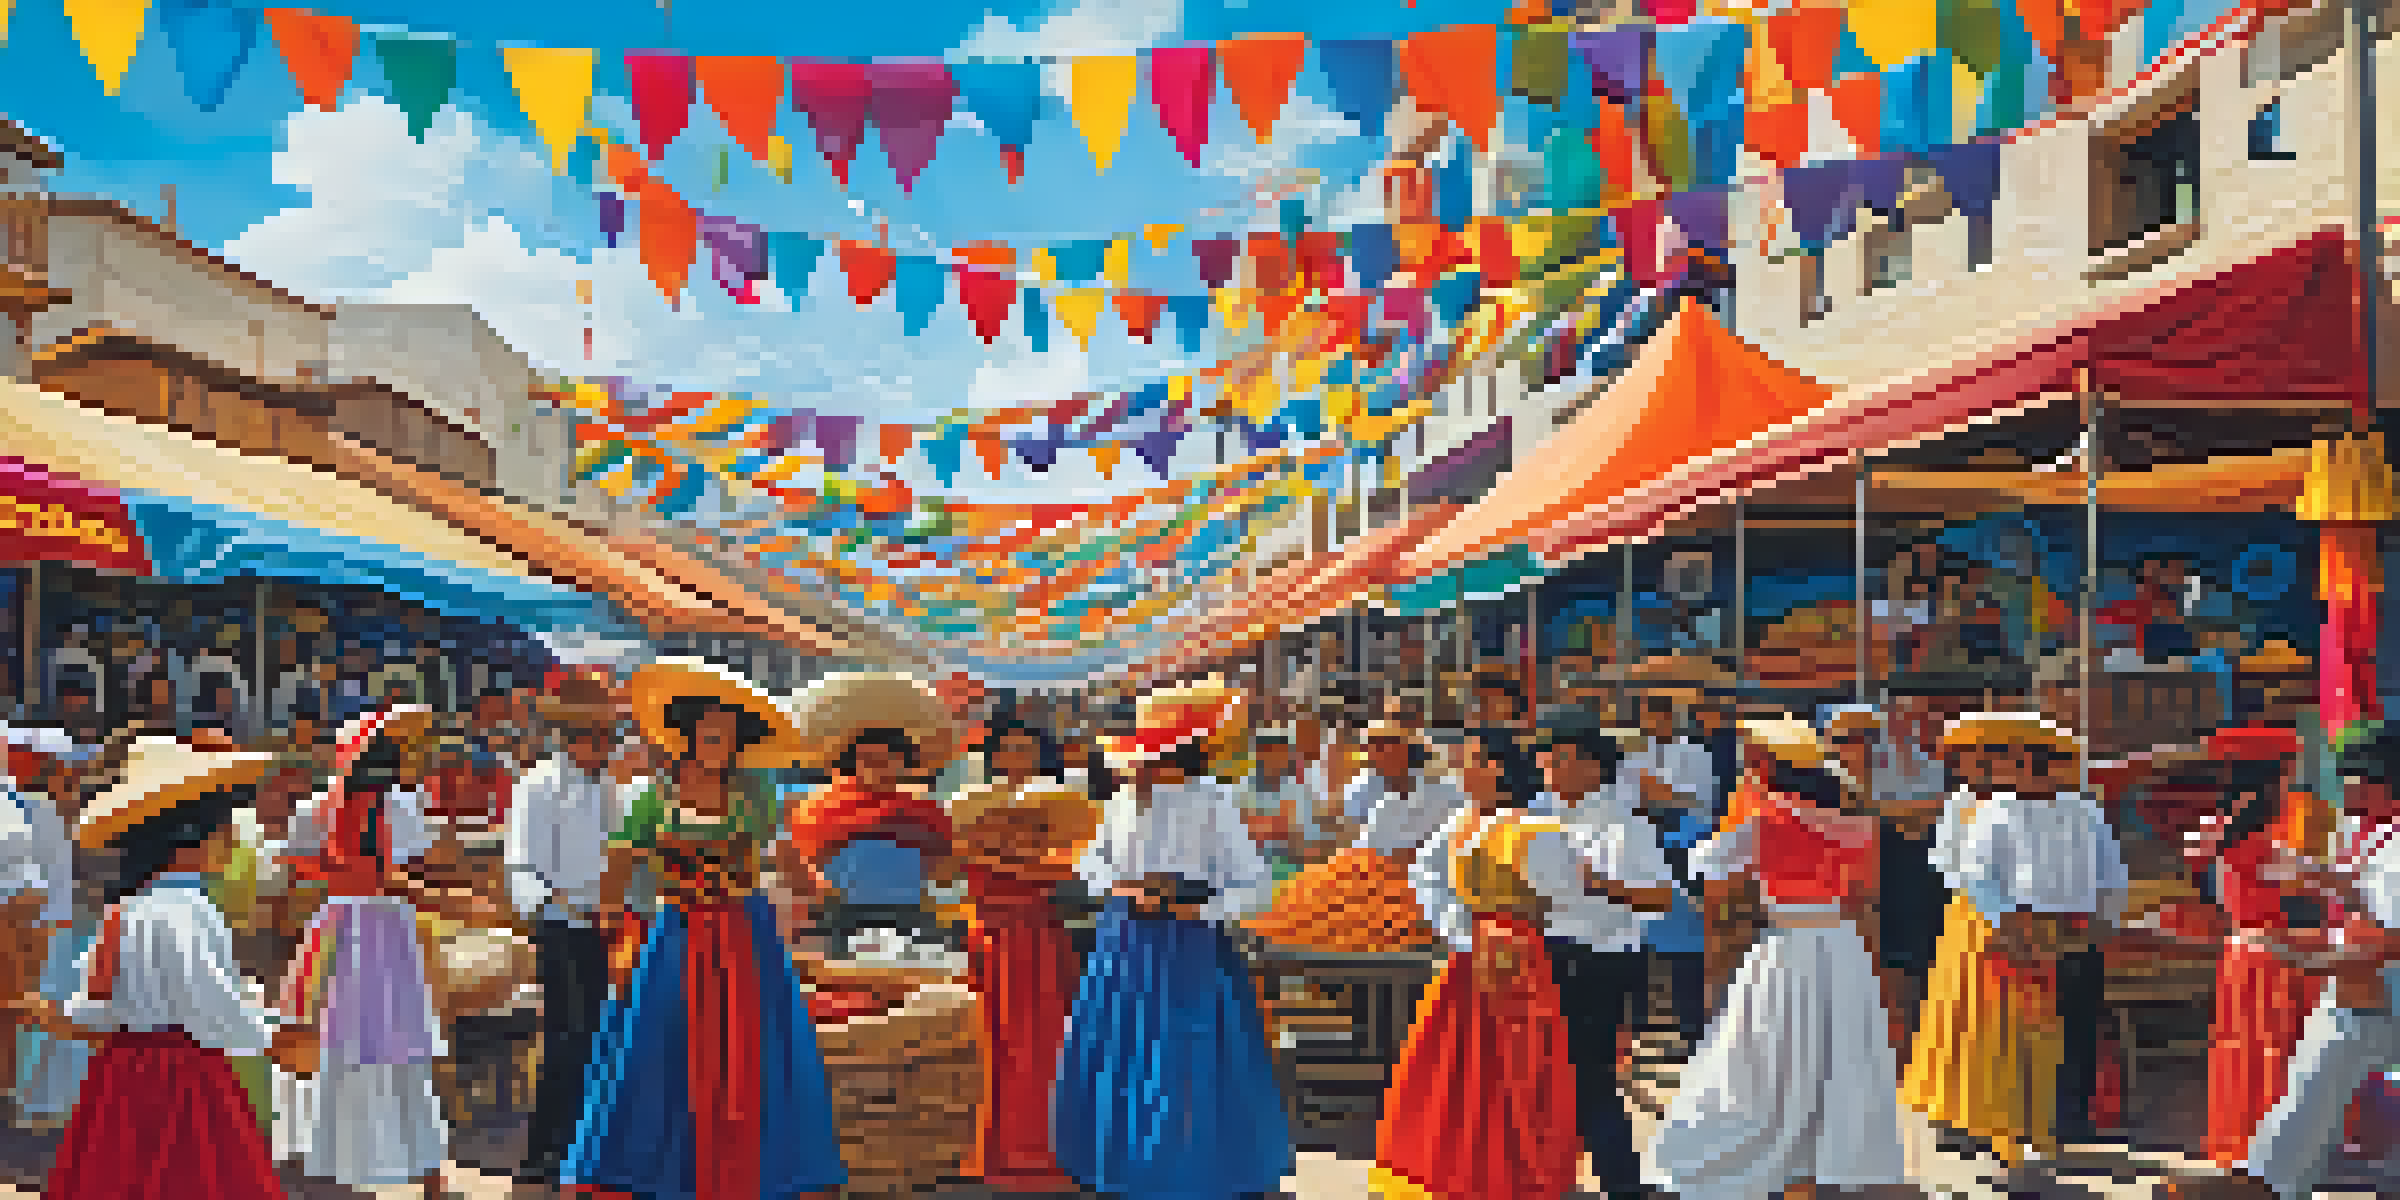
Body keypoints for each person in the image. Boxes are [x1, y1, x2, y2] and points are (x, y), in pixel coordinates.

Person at [565, 659, 845, 1200]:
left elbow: (784, 855)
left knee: (756, 1046)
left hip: (746, 933)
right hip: (677, 935)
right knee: (663, 1045)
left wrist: (818, 890)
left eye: (729, 736)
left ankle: (757, 1166)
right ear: (688, 738)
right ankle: (663, 1168)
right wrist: (612, 927)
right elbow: (619, 866)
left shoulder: (759, 794)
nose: (719, 744)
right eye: (710, 734)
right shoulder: (654, 798)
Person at [14, 735, 308, 1199]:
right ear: (190, 834)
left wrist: (58, 1014)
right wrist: (273, 1037)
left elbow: (103, 1007)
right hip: (183, 1081)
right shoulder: (186, 907)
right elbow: (209, 1003)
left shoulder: (125, 910)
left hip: (123, 1077)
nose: (232, 836)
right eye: (223, 825)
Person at [1647, 718, 1905, 1200]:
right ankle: (1823, 1156)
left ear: (1766, 768)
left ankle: (1780, 1155)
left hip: (1787, 945)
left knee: (1770, 1054)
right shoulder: (1858, 826)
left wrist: (1744, 808)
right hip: (1842, 947)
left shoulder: (1763, 820)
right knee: (1836, 1053)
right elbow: (1864, 901)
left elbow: (1705, 864)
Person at [1056, 684, 1291, 1199]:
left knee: (1182, 1055)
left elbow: (1256, 884)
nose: (1136, 765)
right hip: (1126, 939)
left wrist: (1200, 908)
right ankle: (1128, 1160)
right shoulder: (1122, 800)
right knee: (1125, 1051)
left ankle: (1185, 1167)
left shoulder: (1214, 802)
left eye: (1148, 755)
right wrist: (1121, 887)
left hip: (1189, 945)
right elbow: (1091, 862)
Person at [1901, 714, 2129, 1183]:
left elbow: (2110, 873)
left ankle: (2057, 1119)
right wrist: (2005, 921)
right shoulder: (1981, 808)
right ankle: (1979, 1117)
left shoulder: (2081, 811)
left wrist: (2103, 918)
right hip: (1997, 926)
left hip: (2062, 928)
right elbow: (1966, 872)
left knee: (2063, 1022)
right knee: (1986, 1025)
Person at [1372, 728, 1583, 1199]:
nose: (1461, 770)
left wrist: (1516, 924)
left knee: (1516, 1063)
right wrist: (1460, 927)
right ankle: (1460, 1165)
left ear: (1496, 768)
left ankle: (1516, 1169)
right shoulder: (1461, 823)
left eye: (1470, 760)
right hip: (1473, 953)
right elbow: (1426, 876)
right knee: (1461, 1060)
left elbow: (1564, 898)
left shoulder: (1540, 825)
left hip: (1520, 958)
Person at [2205, 721, 2400, 1200]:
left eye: (2355, 777)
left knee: (2321, 1077)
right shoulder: (2361, 830)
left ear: (2384, 785)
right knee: (2311, 1083)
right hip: (2354, 987)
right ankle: (2269, 1180)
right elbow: (2359, 892)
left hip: (2374, 983)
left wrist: (2309, 955)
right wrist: (2315, 881)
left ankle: (2270, 1179)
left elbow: (2391, 937)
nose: (2342, 786)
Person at [279, 704, 466, 1200]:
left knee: (335, 1045)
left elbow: (297, 868)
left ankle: (326, 1168)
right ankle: (428, 1174)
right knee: (402, 1047)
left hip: (336, 926)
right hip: (386, 927)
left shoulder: (318, 806)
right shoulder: (399, 807)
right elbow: (422, 868)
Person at [1528, 705, 1679, 1200]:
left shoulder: (1623, 822)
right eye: (1544, 757)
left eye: (1558, 757)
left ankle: (1622, 1182)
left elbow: (1660, 896)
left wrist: (1602, 886)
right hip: (1548, 951)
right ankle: (1557, 1177)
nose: (1547, 767)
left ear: (1592, 764)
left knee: (1587, 1074)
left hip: (1600, 957)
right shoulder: (1539, 816)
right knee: (1549, 1073)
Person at [951, 717, 1097, 1193]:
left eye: (1027, 748)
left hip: (1042, 940)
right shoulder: (972, 807)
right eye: (1009, 747)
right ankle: (990, 1151)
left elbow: (1073, 868)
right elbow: (966, 868)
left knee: (1047, 1045)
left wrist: (1028, 859)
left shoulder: (1057, 808)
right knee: (992, 1044)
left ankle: (1047, 1150)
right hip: (992, 941)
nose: (1018, 756)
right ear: (994, 754)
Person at [503, 676, 630, 1197]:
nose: (598, 745)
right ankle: (545, 1154)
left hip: (604, 925)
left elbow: (623, 857)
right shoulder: (537, 785)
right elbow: (520, 867)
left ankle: (588, 1146)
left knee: (600, 1036)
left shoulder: (612, 787)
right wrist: (563, 904)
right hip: (561, 926)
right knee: (563, 1039)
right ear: (568, 736)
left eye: (605, 735)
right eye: (589, 735)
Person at [2182, 728, 2320, 1168]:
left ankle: (2239, 1139)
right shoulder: (2270, 840)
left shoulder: (2214, 832)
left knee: (2241, 1048)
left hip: (2239, 952)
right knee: (2277, 1051)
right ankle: (2271, 1143)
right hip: (2276, 955)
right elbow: (2312, 894)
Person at [782, 673, 961, 953]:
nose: (879, 768)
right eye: (869, 760)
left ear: (905, 764)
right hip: (842, 914)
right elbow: (807, 859)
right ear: (853, 763)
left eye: (889, 760)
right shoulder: (823, 805)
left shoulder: (925, 808)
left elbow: (945, 861)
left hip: (911, 914)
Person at [1827, 704, 1950, 1050]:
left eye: (1863, 737)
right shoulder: (1825, 775)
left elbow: (1933, 814)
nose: (1852, 746)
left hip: (1909, 887)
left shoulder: (1917, 766)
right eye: (1842, 739)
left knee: (1909, 981)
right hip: (1855, 893)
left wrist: (1872, 808)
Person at [1344, 721, 1466, 865]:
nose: (1378, 754)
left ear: (1405, 748)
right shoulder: (1360, 792)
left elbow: (1458, 832)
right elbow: (1358, 843)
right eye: (1372, 748)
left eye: (1386, 746)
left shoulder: (1441, 787)